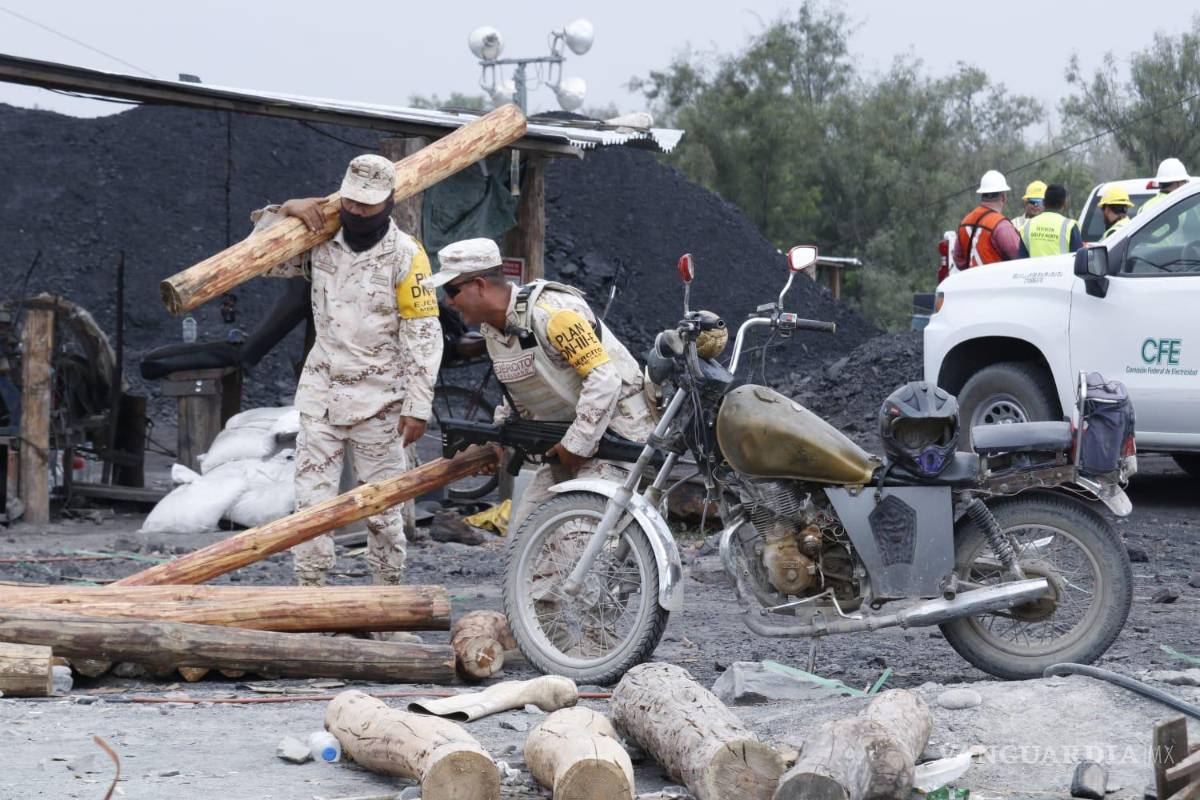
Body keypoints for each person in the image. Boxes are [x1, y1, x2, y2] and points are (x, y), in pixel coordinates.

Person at [252, 154, 443, 587]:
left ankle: (387, 594)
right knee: (311, 502)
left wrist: (418, 405)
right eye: (351, 201)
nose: (356, 211)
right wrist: (284, 212)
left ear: (388, 202)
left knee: (381, 506)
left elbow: (423, 334)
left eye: (367, 205)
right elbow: (261, 260)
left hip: (380, 400)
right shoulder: (320, 237)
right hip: (322, 392)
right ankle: (311, 590)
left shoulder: (406, 255)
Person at [424, 238, 654, 526]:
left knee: (577, 536)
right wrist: (497, 440)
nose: (448, 302)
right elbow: (520, 393)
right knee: (526, 532)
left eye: (451, 290)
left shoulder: (553, 313)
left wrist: (576, 445)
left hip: (617, 433)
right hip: (569, 435)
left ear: (479, 285)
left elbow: (604, 378)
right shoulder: (495, 331)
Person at [953, 170, 1021, 270]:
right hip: (997, 279)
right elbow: (1021, 258)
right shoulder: (1001, 225)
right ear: (1003, 197)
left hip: (970, 279)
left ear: (982, 195)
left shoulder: (965, 222)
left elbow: (959, 260)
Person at [1019, 184, 1083, 258]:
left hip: (1032, 266)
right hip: (1062, 266)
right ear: (1064, 204)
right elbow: (1079, 258)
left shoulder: (1026, 226)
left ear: (1044, 202)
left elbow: (1021, 259)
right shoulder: (1070, 226)